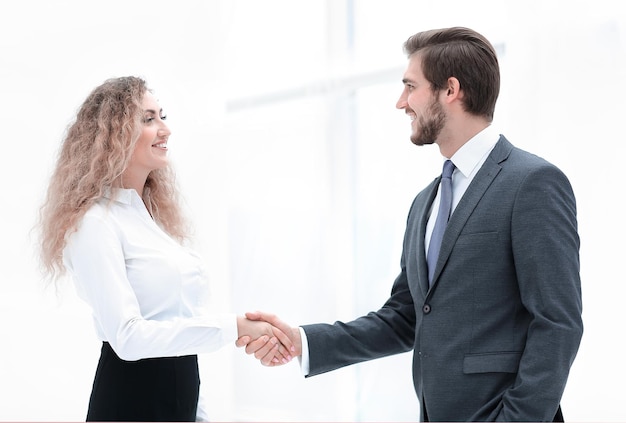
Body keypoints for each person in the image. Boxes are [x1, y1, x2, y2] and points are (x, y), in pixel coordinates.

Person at [237, 27, 583, 422]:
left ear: (450, 90)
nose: (401, 103)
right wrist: (301, 341)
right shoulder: (426, 202)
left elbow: (558, 323)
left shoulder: (532, 182)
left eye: (410, 86)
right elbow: (406, 318)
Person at [37, 76, 293, 422]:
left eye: (163, 116)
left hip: (178, 403)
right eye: (148, 119)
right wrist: (236, 327)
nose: (165, 129)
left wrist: (198, 414)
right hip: (130, 403)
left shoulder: (151, 222)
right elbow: (127, 338)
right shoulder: (95, 223)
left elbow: (180, 331)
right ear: (114, 135)